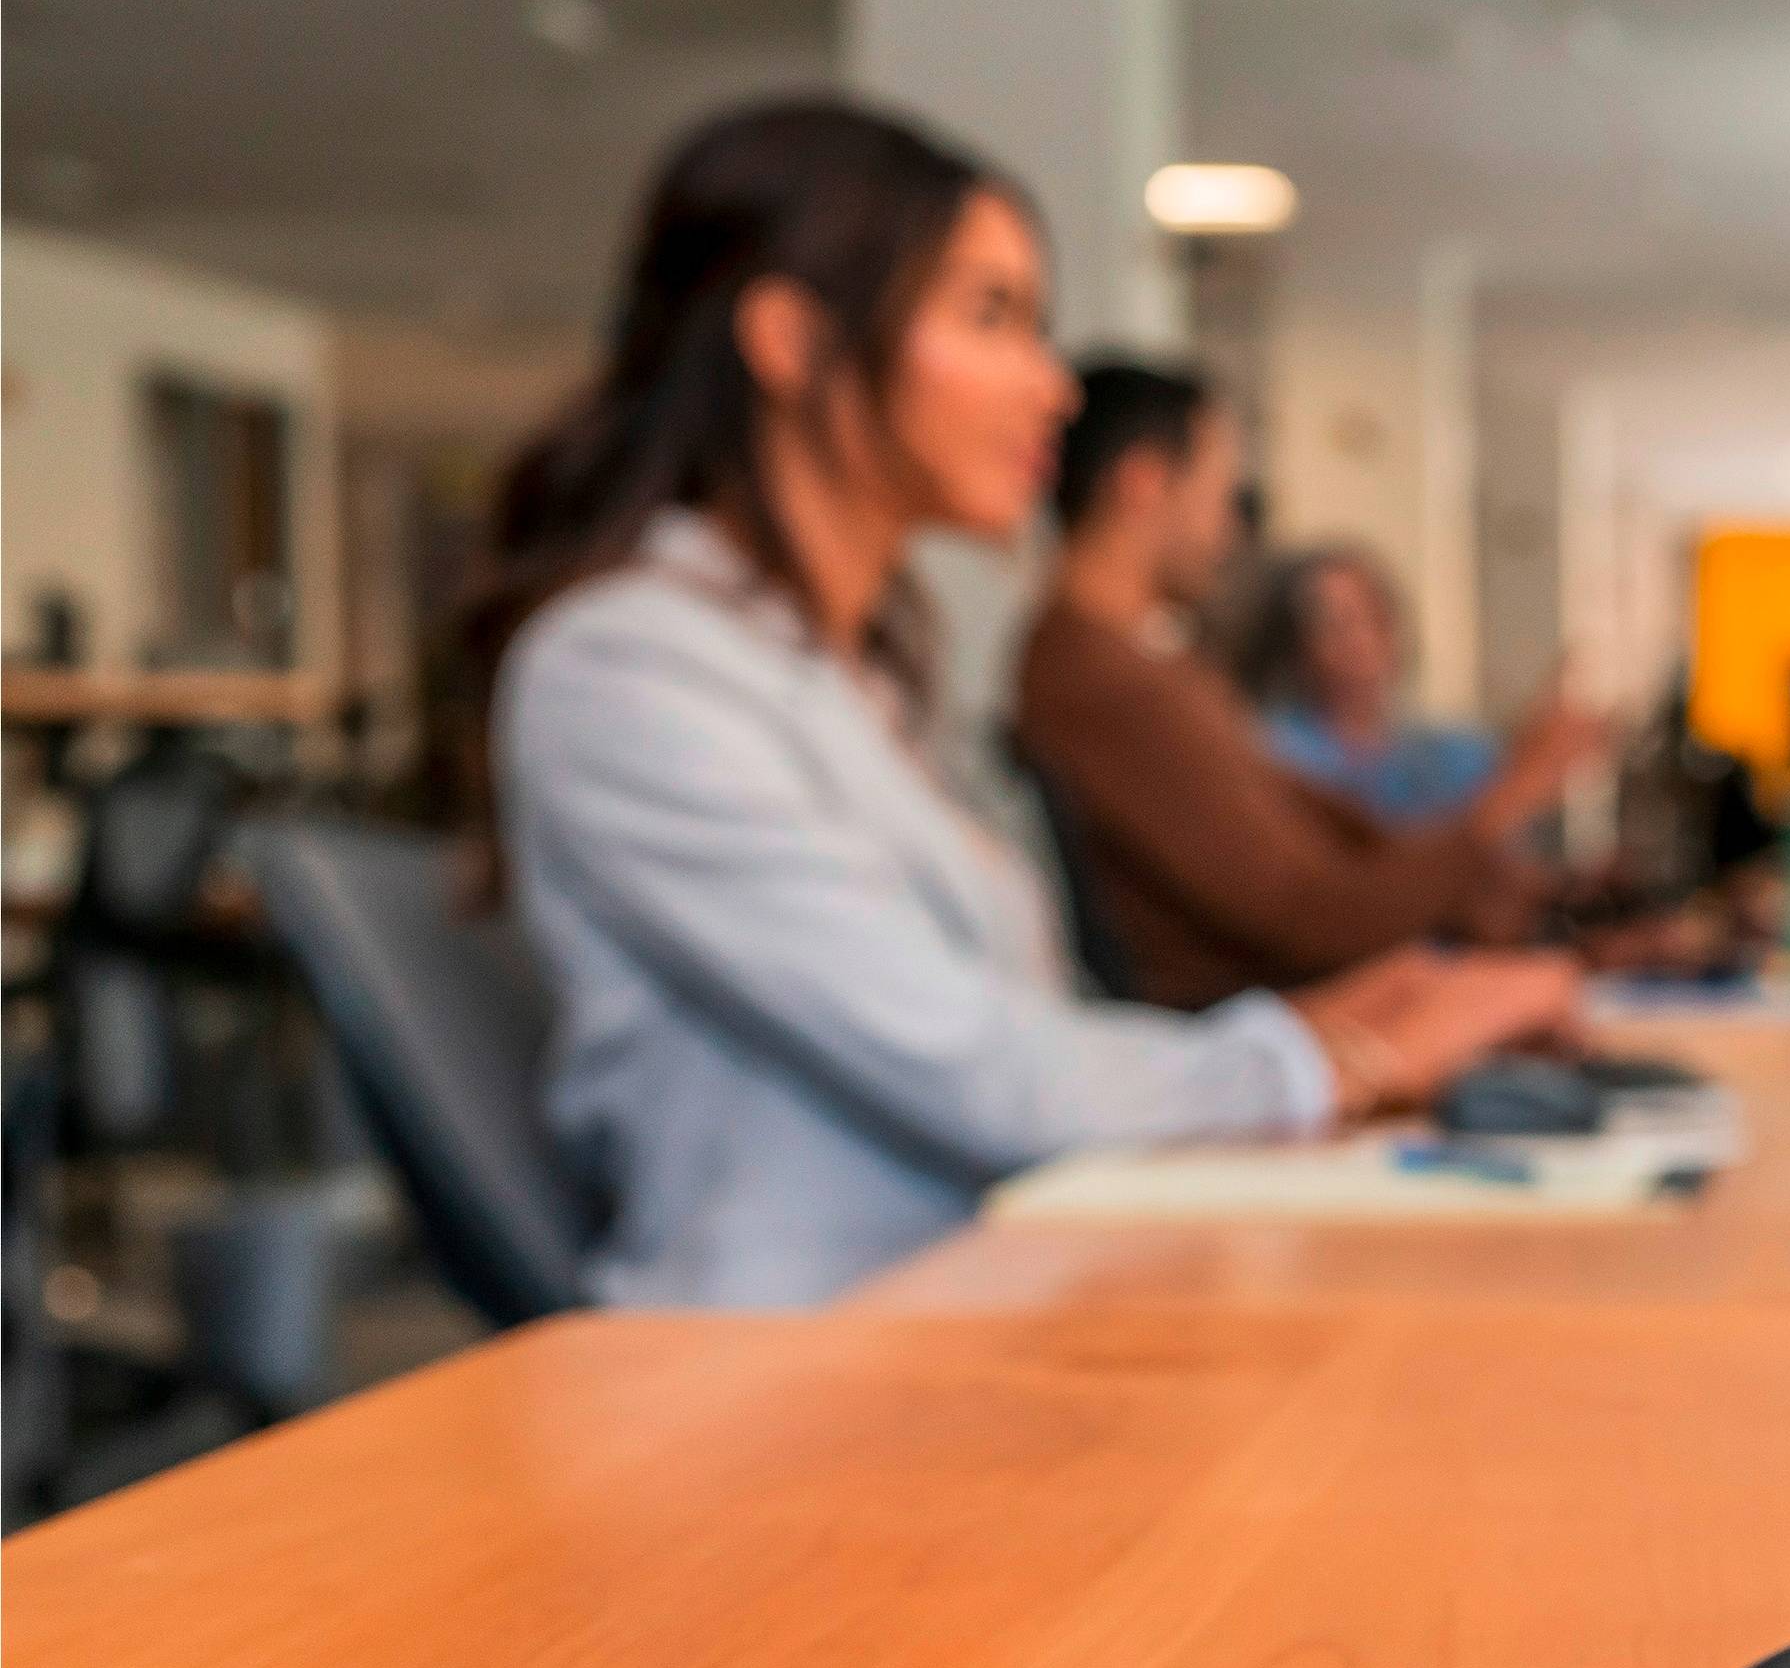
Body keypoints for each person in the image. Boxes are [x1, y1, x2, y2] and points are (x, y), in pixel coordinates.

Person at [475, 99, 1576, 1307]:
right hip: (780, 1382)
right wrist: (1331, 1056)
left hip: (965, 1312)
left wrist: (1318, 1030)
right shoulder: (628, 669)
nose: (1053, 389)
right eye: (990, 316)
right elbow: (973, 1067)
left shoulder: (854, 677)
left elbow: (1013, 1037)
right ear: (790, 341)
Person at [1012, 365, 1600, 1009]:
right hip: (1264, 1052)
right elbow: (1312, 916)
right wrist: (1513, 793)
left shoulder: (1148, 664)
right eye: (1220, 494)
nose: (1230, 529)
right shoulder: (1103, 680)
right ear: (1145, 483)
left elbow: (1333, 860)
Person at [1247, 545, 1528, 827]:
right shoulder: (1272, 754)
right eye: (1337, 625)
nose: (1363, 641)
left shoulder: (1459, 753)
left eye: (1377, 617)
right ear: (1294, 647)